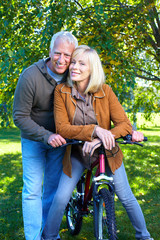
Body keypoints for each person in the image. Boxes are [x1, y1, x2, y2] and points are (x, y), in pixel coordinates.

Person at [42, 45, 153, 240]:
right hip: (77, 153)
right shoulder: (62, 91)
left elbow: (124, 125)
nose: (74, 67)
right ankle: (49, 237)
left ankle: (144, 236)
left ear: (92, 68)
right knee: (61, 198)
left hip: (107, 153)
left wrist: (102, 137)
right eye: (73, 62)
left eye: (81, 63)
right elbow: (62, 128)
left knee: (126, 197)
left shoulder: (105, 91)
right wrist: (95, 130)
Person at [13, 31, 78, 240]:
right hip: (33, 140)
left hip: (60, 142)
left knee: (52, 190)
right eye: (58, 53)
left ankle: (47, 234)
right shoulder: (30, 76)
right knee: (32, 190)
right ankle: (33, 237)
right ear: (49, 51)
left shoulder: (74, 76)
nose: (62, 59)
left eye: (67, 55)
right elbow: (19, 117)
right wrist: (46, 136)